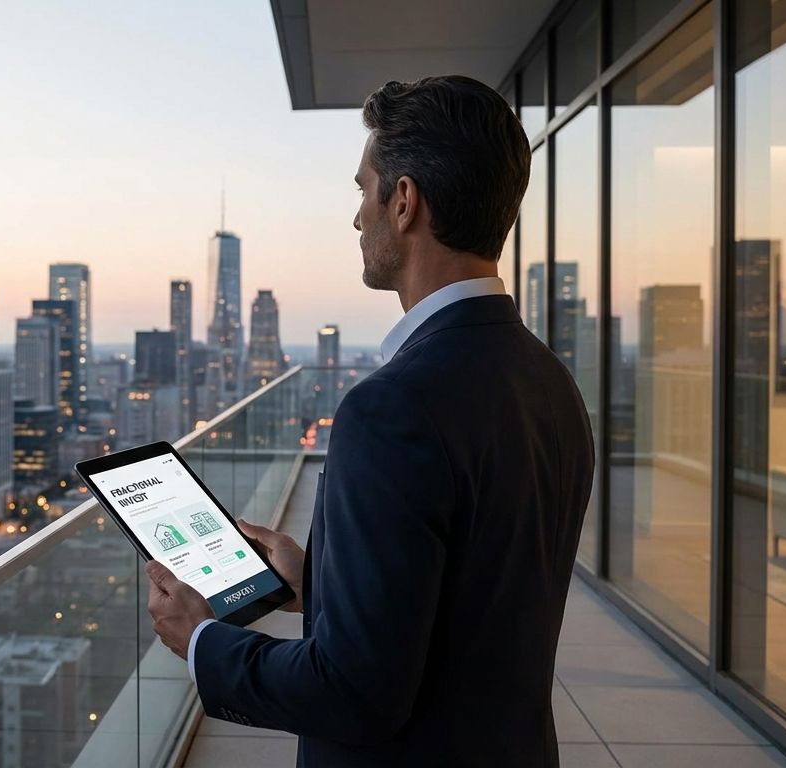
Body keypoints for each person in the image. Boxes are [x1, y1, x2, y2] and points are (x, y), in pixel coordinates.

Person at [145, 75, 595, 767]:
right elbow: (477, 595)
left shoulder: (392, 407)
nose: (359, 217)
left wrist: (203, 641)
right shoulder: (549, 380)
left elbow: (354, 693)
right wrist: (321, 583)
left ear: (405, 201)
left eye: (364, 189)